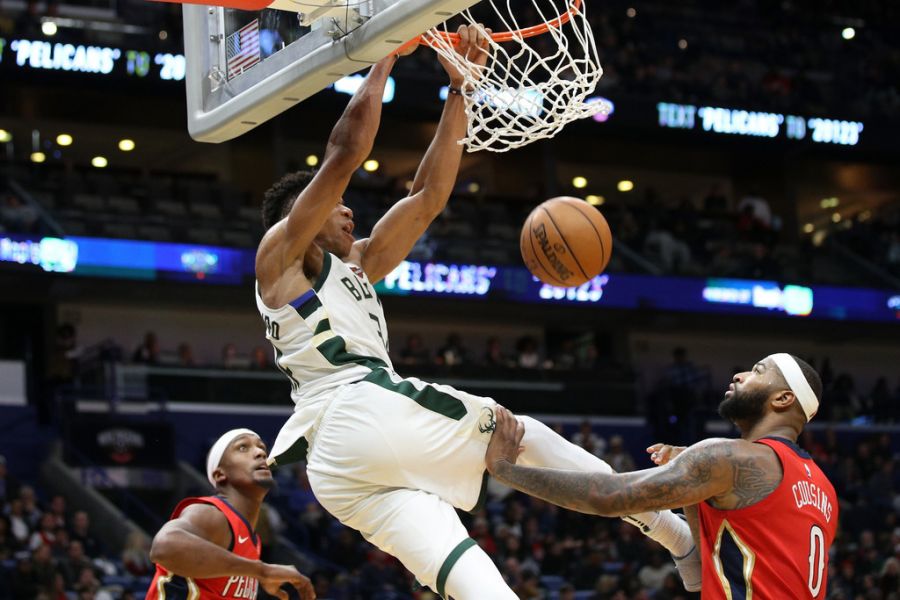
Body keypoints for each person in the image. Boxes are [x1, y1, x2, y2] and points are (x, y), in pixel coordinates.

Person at [253, 26, 698, 599]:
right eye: (334, 204)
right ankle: (675, 534)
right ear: (301, 214)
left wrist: (461, 88)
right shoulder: (281, 256)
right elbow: (345, 153)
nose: (348, 210)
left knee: (474, 582)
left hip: (339, 469)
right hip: (355, 407)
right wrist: (383, 57)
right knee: (522, 434)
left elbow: (426, 198)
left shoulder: (356, 263)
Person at [485, 353, 838, 599]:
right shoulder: (824, 490)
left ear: (783, 398)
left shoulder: (732, 456)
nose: (739, 375)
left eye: (758, 371)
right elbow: (711, 571)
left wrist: (505, 470)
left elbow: (606, 496)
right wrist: (696, 488)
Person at [146, 429, 314, 600]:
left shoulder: (252, 542)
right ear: (220, 474)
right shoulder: (211, 513)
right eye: (243, 447)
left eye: (262, 447)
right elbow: (164, 546)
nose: (260, 452)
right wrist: (262, 570)